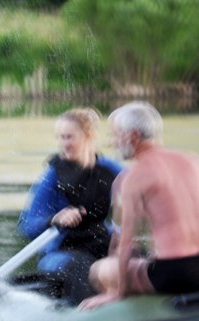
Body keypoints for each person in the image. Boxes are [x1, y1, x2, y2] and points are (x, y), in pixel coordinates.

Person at [80, 102, 199, 310]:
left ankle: (121, 316)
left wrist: (119, 292)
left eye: (115, 135)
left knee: (100, 270)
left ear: (132, 136)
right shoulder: (193, 161)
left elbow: (125, 244)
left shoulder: (134, 177)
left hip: (176, 273)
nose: (112, 142)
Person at [18, 107, 123, 304]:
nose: (63, 144)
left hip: (100, 244)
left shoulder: (110, 170)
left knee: (139, 257)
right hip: (60, 254)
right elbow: (26, 226)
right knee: (80, 266)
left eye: (68, 137)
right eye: (60, 137)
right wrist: (54, 219)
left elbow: (141, 188)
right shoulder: (52, 177)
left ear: (88, 136)